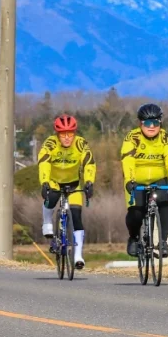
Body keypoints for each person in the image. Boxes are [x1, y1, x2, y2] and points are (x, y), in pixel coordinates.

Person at [121, 103, 168, 258]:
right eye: (147, 123)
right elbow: (128, 160)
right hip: (137, 179)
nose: (152, 126)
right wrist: (130, 180)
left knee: (165, 203)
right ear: (141, 123)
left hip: (159, 178)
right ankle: (134, 237)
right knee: (136, 211)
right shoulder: (132, 138)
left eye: (156, 122)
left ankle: (163, 242)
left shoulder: (166, 138)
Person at [38, 114, 96, 270]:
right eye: (63, 134)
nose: (67, 138)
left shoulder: (81, 144)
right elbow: (44, 163)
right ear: (57, 134)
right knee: (52, 197)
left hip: (73, 183)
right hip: (54, 181)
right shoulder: (50, 144)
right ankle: (47, 222)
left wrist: (90, 182)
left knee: (76, 215)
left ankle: (78, 255)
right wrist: (44, 182)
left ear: (74, 133)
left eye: (70, 134)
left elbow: (89, 163)